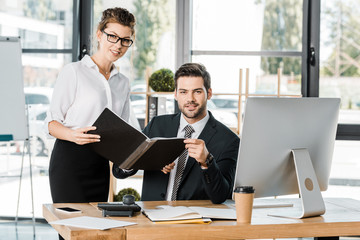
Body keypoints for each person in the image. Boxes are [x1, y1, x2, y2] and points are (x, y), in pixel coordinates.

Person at [113, 63, 240, 204]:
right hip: (151, 219)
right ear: (175, 94)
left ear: (209, 93)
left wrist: (207, 161)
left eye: (197, 91)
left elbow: (221, 196)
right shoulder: (157, 125)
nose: (190, 99)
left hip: (194, 222)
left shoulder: (228, 140)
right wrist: (146, 159)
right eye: (183, 92)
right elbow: (118, 171)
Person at [46, 7, 136, 205]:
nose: (118, 45)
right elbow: (51, 123)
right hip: (69, 161)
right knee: (71, 229)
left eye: (125, 40)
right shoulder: (74, 72)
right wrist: (73, 135)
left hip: (100, 164)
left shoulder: (123, 82)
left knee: (96, 231)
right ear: (99, 34)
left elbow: (122, 130)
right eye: (112, 36)